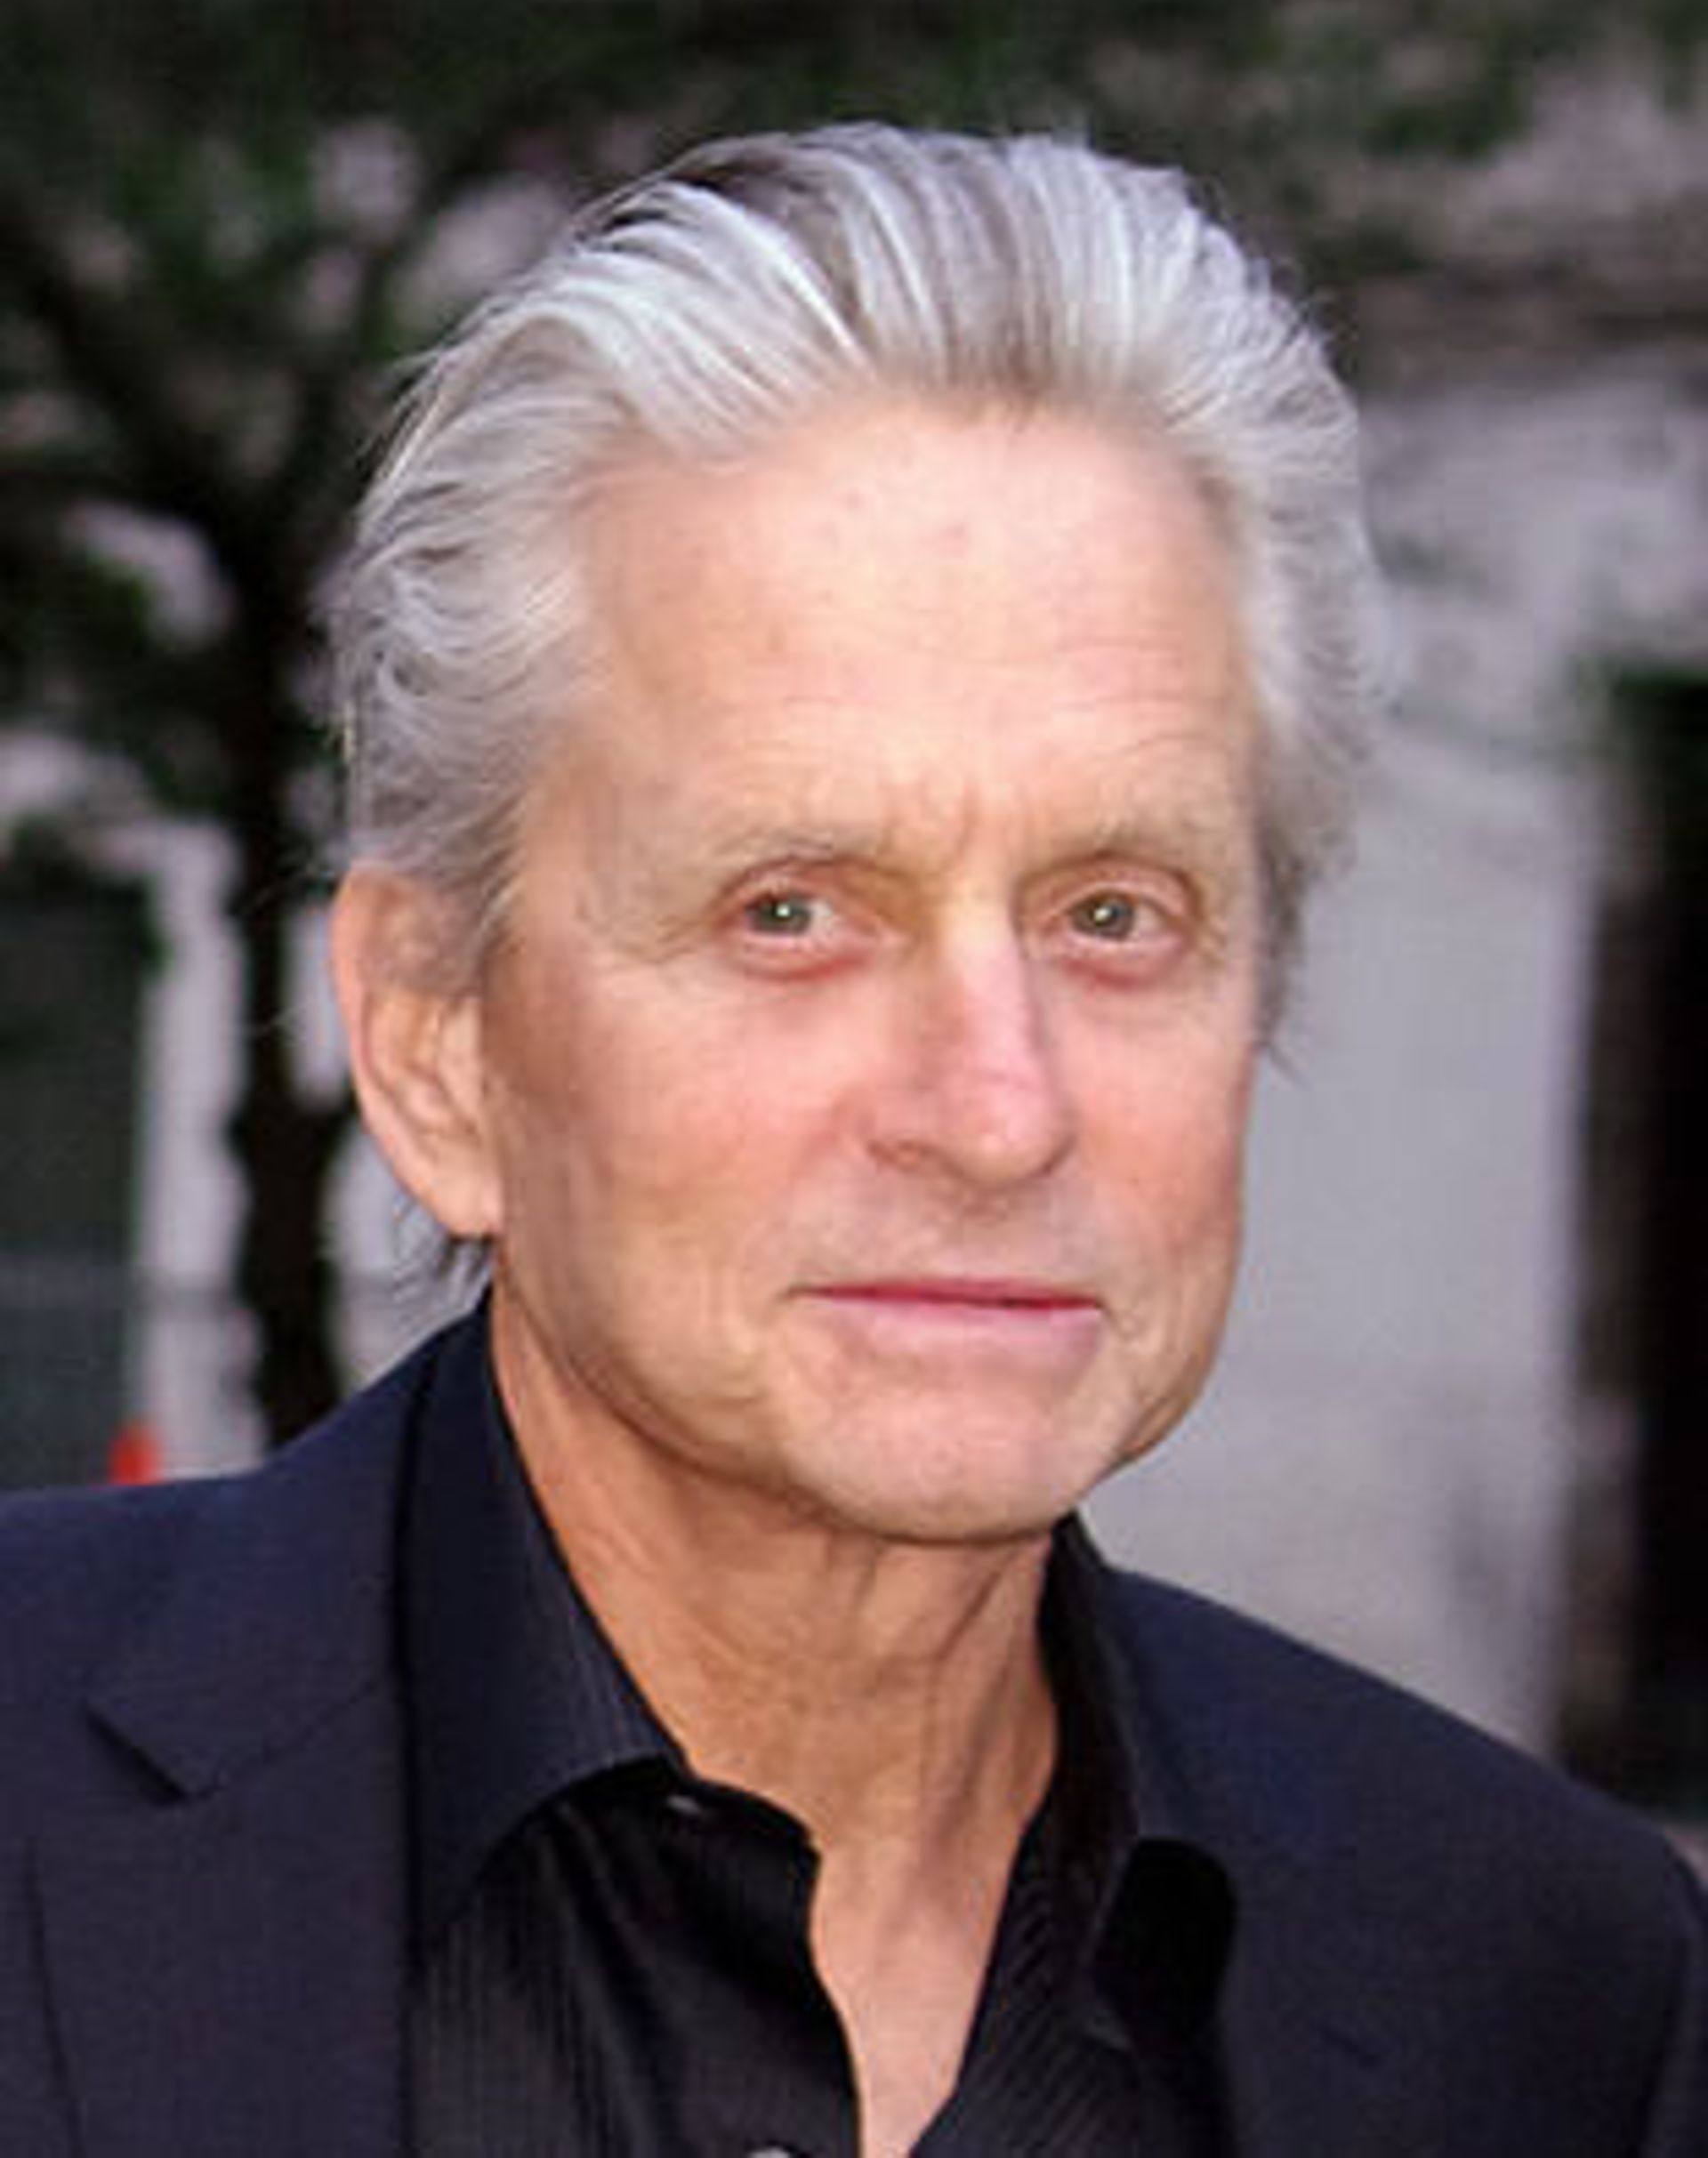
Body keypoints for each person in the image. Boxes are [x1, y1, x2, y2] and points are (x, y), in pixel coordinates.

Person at [0, 124, 1702, 2158]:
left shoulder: (1549, 1996)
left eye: (1114, 913)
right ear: (438, 1040)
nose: (998, 1108)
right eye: (792, 910)